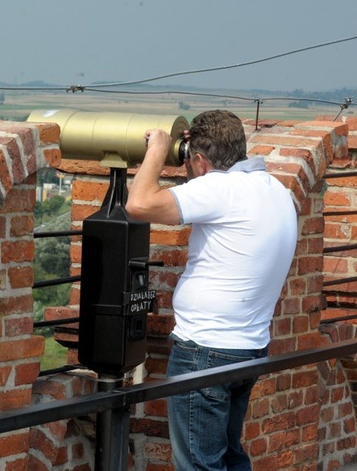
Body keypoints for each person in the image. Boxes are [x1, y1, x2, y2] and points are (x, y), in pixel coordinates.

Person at [125, 110, 297, 470]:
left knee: (200, 464)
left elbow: (139, 204)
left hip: (205, 352)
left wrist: (157, 147)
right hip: (249, 348)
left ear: (200, 161)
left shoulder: (219, 188)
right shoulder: (274, 189)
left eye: (188, 162)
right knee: (229, 456)